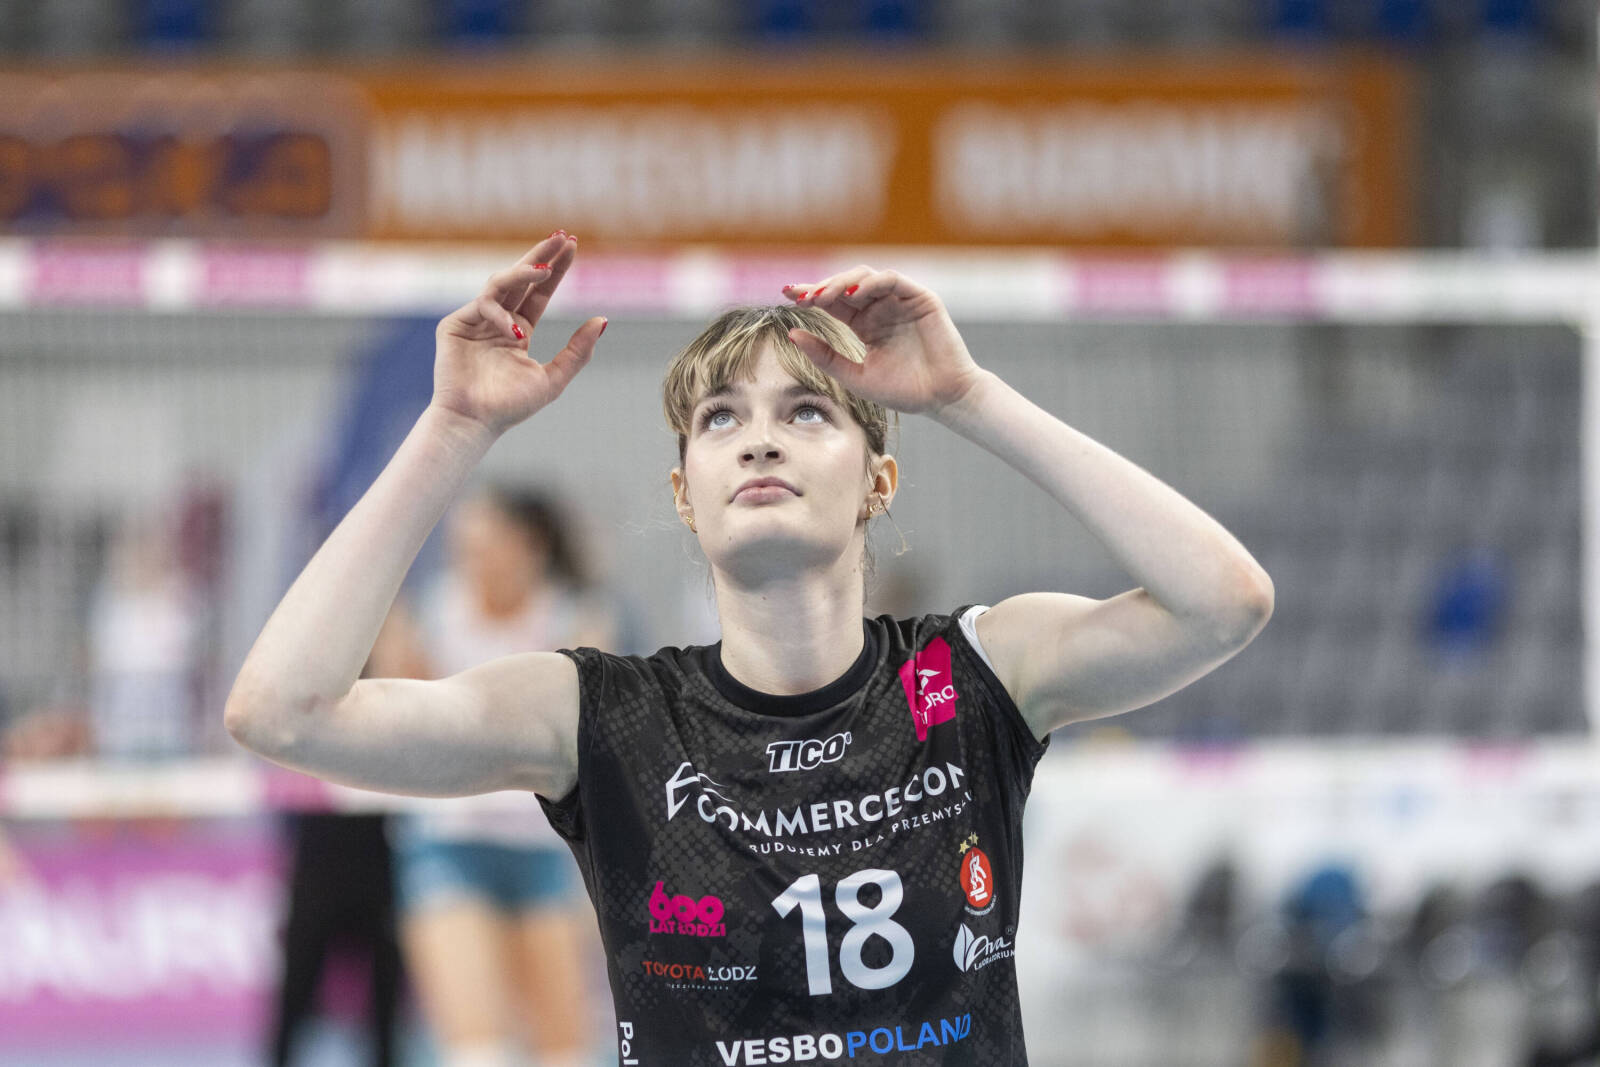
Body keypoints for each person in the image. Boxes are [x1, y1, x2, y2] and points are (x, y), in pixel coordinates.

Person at [226, 228, 1274, 1064]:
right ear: (687, 494)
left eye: (807, 411)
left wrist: (968, 397)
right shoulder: (604, 716)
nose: (760, 437)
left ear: (877, 480)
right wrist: (454, 426)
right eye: (720, 418)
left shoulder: (971, 673)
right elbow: (281, 711)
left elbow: (1223, 601)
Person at [392, 487, 614, 1067]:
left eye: (485, 545)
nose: (472, 560)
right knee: (477, 1046)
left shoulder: (575, 621)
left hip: (546, 853)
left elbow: (590, 733)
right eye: (463, 548)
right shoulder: (430, 617)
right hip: (449, 846)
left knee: (565, 1047)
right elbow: (400, 726)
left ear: (529, 547)